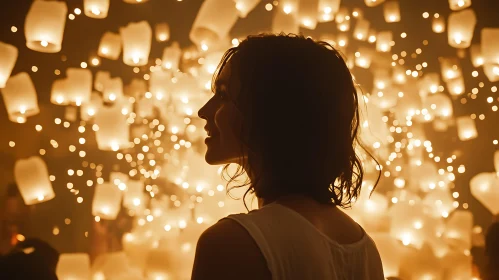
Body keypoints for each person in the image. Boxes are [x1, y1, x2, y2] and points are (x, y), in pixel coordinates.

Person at [192, 34, 384, 279]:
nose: (203, 111)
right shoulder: (364, 248)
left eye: (223, 95)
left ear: (268, 109)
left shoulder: (230, 243)